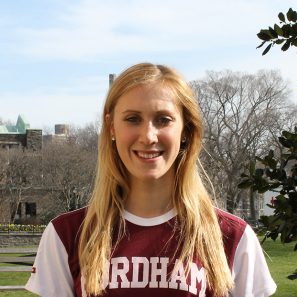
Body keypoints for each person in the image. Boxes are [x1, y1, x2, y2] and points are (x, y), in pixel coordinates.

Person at [26, 63, 276, 297]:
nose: (148, 136)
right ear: (111, 126)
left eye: (163, 120)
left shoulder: (233, 237)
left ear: (186, 130)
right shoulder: (66, 234)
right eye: (133, 119)